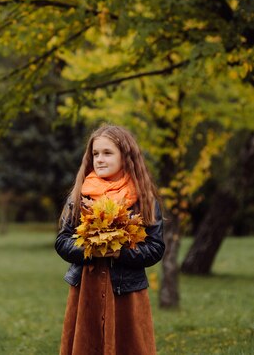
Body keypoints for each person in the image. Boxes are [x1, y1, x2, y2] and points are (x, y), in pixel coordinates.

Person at [55, 123, 165, 355]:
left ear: (125, 156)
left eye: (107, 153)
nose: (100, 159)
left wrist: (120, 252)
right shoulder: (80, 197)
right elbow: (62, 242)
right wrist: (88, 249)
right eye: (95, 154)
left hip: (127, 294)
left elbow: (155, 248)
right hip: (86, 290)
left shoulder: (144, 200)